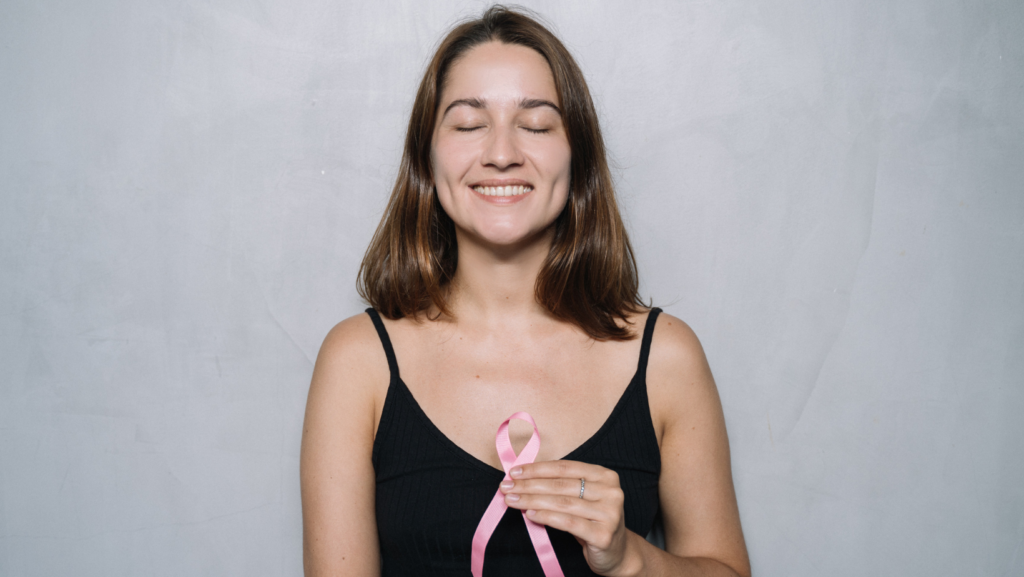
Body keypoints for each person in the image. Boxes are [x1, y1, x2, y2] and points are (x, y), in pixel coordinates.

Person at [300, 6, 750, 577]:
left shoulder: (666, 358)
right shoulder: (356, 361)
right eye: (468, 124)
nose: (502, 152)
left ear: (578, 156)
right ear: (426, 158)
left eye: (536, 125)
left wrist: (633, 557)